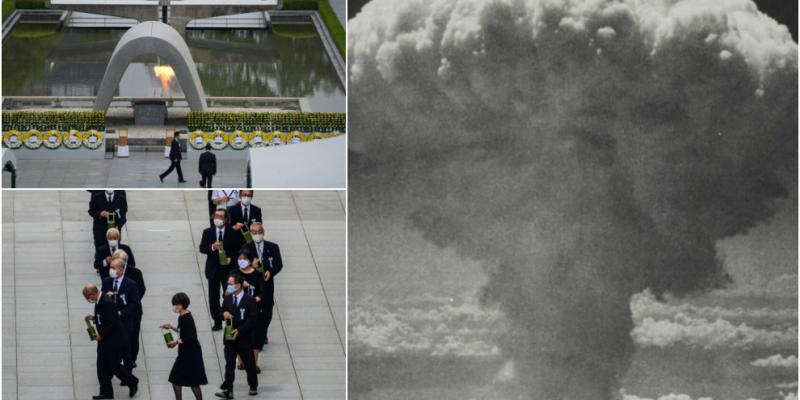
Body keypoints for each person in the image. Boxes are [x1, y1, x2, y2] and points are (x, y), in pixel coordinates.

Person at [83, 284, 139, 399]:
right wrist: (94, 318)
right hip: (104, 341)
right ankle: (106, 393)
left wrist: (101, 334)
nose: (88, 300)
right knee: (101, 368)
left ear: (93, 294)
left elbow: (113, 323)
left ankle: (132, 382)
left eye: (88, 297)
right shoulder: (99, 300)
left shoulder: (106, 302)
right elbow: (105, 317)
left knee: (115, 367)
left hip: (113, 342)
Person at [216, 273, 259, 399]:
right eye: (228, 283)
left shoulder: (249, 300)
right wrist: (223, 314)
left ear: (239, 285)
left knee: (249, 364)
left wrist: (240, 330)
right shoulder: (228, 298)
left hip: (244, 338)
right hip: (229, 338)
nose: (228, 286)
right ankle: (228, 390)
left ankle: (253, 385)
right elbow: (220, 313)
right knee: (229, 364)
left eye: (231, 284)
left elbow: (253, 319)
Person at [199, 209, 243, 331]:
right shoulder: (208, 232)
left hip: (228, 272)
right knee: (213, 297)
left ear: (226, 219)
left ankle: (230, 318)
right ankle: (217, 320)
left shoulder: (232, 232)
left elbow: (239, 249)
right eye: (216, 216)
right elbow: (202, 248)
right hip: (213, 270)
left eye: (220, 216)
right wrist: (213, 247)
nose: (217, 218)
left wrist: (231, 258)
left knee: (228, 295)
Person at [161, 292, 208, 400]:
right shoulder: (182, 316)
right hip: (186, 354)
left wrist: (176, 342)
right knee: (183, 381)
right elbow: (182, 331)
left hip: (190, 355)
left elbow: (190, 337)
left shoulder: (187, 318)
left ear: (182, 304)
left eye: (177, 304)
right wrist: (171, 327)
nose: (175, 307)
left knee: (187, 381)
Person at [242, 223, 282, 346]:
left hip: (267, 286)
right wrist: (251, 266)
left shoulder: (273, 247)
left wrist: (271, 271)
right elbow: (241, 266)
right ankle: (258, 335)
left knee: (267, 313)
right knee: (254, 312)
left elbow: (279, 264)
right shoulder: (246, 248)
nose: (257, 234)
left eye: (259, 231)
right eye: (254, 232)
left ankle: (263, 332)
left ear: (263, 232)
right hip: (253, 287)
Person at [101, 259, 142, 373]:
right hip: (110, 322)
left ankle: (128, 376)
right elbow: (101, 299)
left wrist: (122, 312)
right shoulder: (106, 281)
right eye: (111, 267)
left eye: (114, 268)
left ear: (121, 269)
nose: (111, 270)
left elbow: (135, 304)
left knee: (126, 349)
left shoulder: (130, 284)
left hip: (124, 321)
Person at [234, 250, 264, 373]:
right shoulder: (234, 274)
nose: (242, 260)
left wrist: (258, 298)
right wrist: (240, 285)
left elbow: (263, 292)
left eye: (244, 258)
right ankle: (240, 360)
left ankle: (255, 362)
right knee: (239, 335)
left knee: (255, 337)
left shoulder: (257, 275)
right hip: (238, 310)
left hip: (253, 309)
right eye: (240, 258)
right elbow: (227, 290)